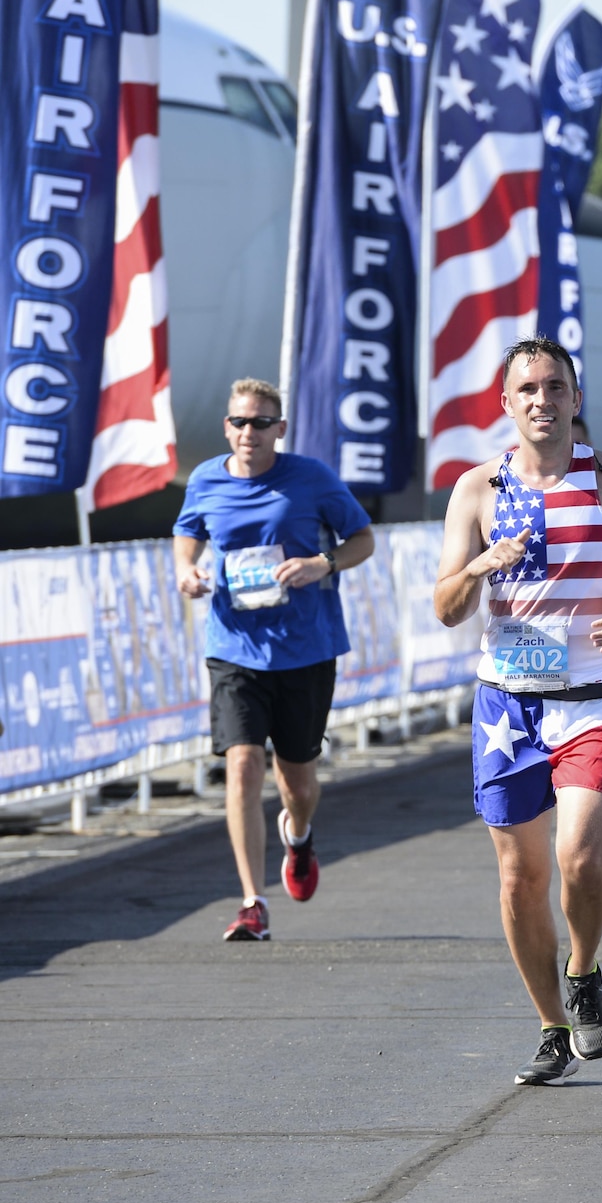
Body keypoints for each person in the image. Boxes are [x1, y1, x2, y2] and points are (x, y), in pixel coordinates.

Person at [433, 337, 602, 1085]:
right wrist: (477, 567)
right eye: (527, 388)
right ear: (507, 404)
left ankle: (584, 968)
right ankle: (550, 1025)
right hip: (510, 703)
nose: (542, 399)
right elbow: (446, 607)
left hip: (596, 697)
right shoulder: (477, 490)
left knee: (580, 856)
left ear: (576, 398)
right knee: (518, 879)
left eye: (555, 386)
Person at [172, 377, 377, 942]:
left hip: (305, 647)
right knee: (241, 764)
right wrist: (186, 571)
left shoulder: (310, 478)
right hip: (234, 646)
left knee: (299, 783)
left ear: (279, 429)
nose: (248, 433)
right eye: (239, 422)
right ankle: (251, 901)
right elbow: (186, 532)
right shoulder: (207, 479)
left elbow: (363, 537)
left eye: (261, 423)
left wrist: (323, 564)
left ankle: (300, 833)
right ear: (226, 427)